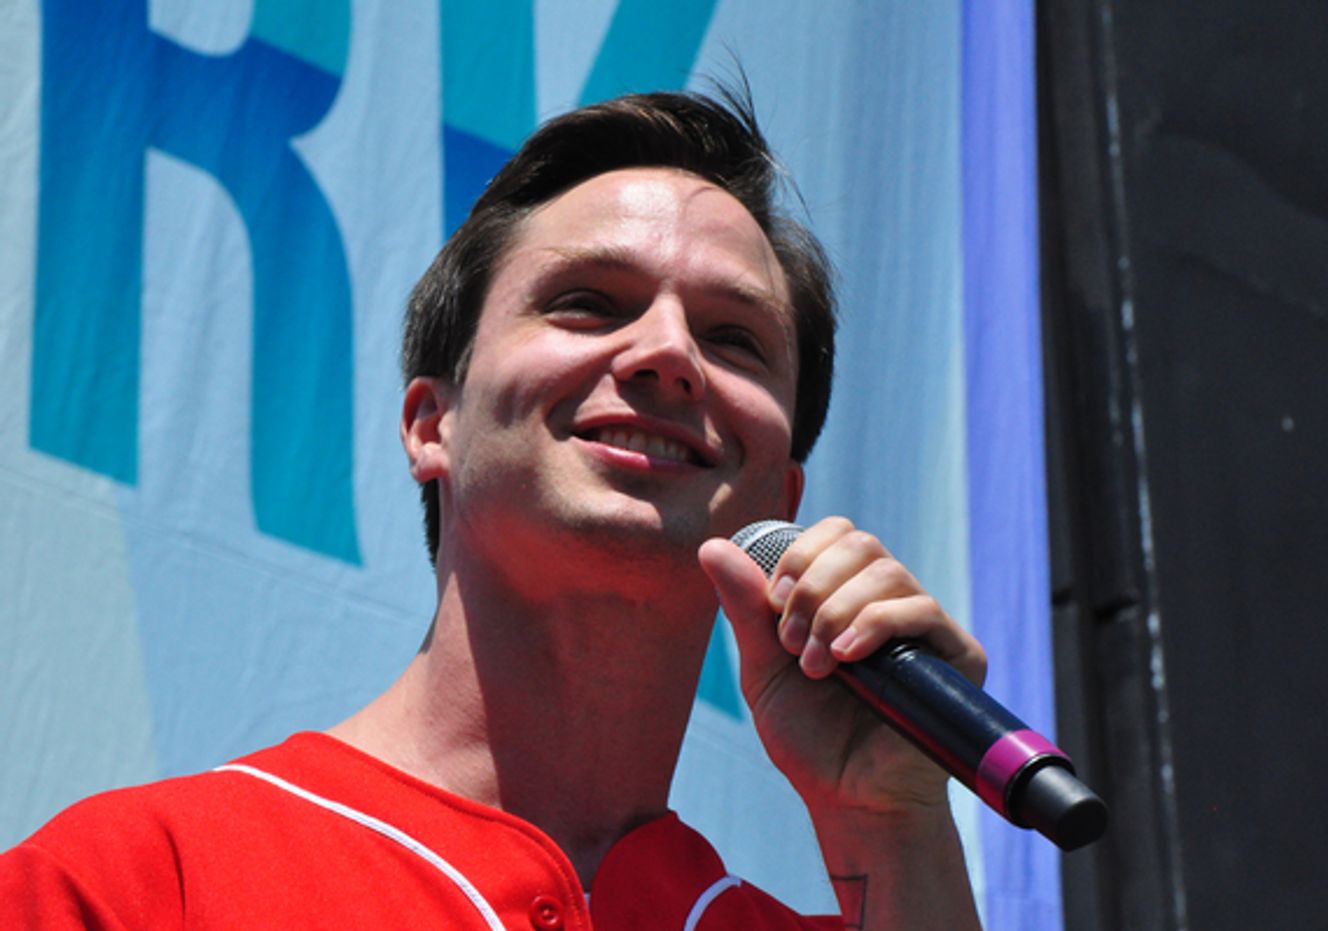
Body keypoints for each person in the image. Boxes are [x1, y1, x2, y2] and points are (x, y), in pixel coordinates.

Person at [0, 89, 986, 930]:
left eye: (733, 339)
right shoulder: (126, 885)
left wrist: (890, 827)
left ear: (781, 495)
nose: (667, 355)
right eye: (588, 303)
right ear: (432, 424)